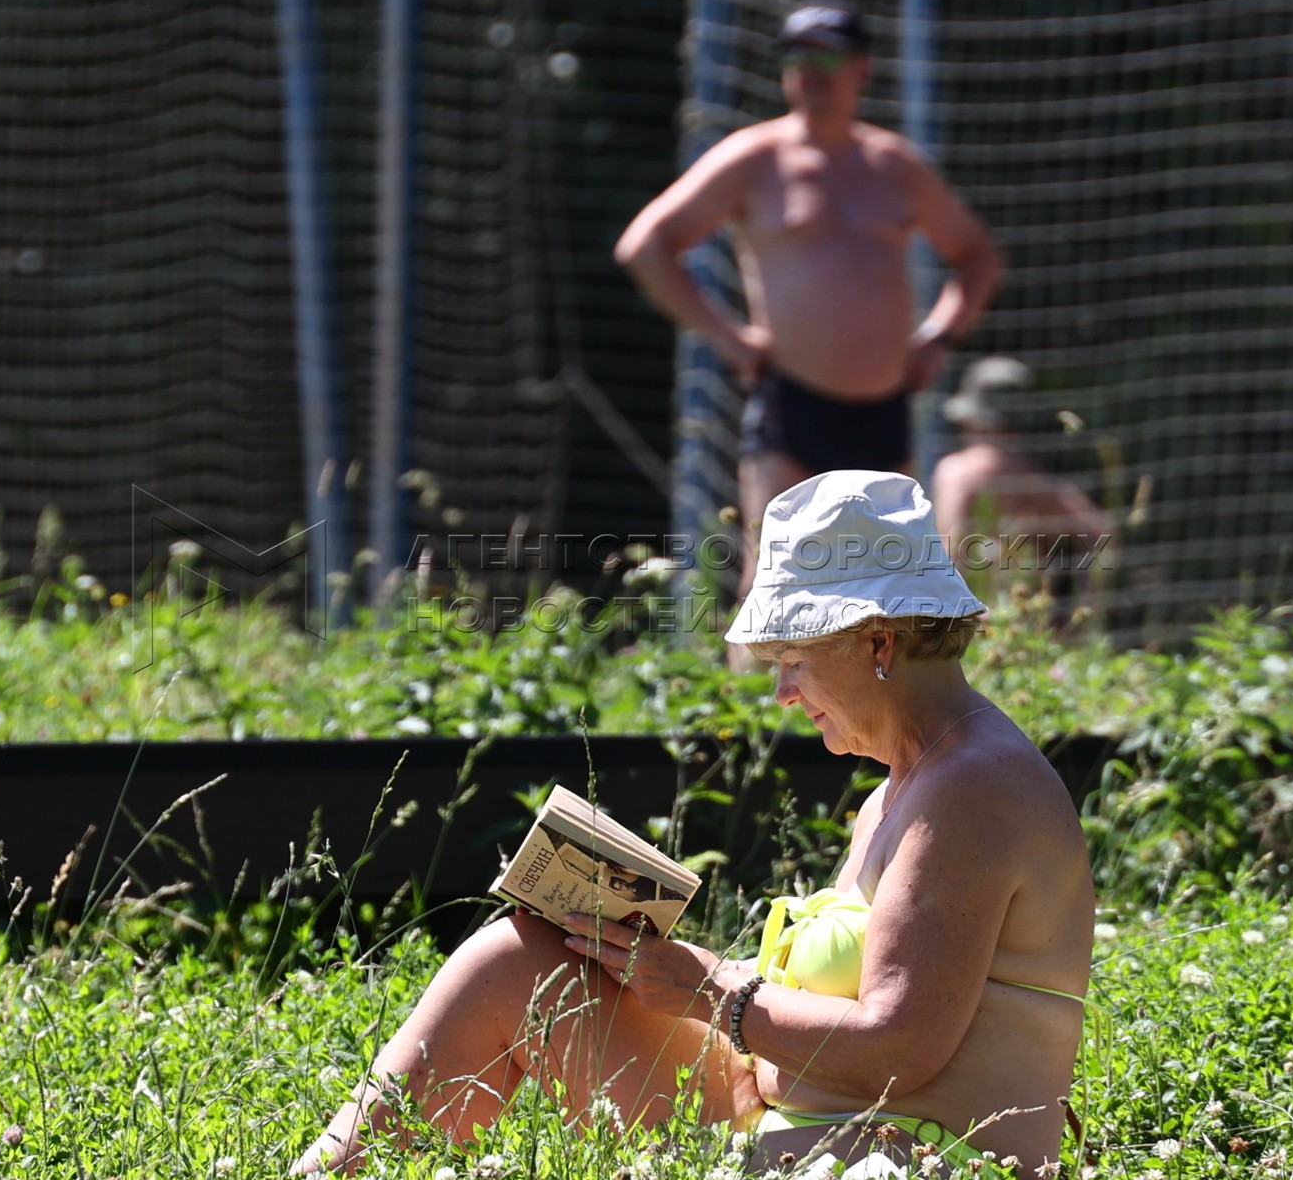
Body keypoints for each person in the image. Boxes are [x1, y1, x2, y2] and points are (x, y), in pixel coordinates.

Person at [291, 470, 1093, 1177]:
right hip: (790, 1120)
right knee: (517, 959)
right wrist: (654, 963)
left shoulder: (971, 790)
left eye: (793, 660)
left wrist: (711, 990)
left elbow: (895, 1046)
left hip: (903, 1158)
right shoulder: (905, 784)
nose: (782, 692)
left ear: (878, 640)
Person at [614, 0, 1002, 663]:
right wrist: (729, 338)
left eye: (828, 56)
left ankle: (876, 727)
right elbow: (645, 245)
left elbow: (976, 256)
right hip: (793, 407)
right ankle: (746, 721)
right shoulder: (755, 157)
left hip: (885, 413)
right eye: (797, 57)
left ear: (861, 68)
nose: (812, 71)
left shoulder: (893, 165)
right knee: (774, 585)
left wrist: (939, 336)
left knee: (889, 595)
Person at [931, 357, 1116, 604]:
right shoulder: (1035, 479)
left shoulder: (956, 472)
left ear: (972, 418)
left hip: (972, 610)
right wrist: (1087, 602)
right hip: (1027, 611)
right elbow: (1101, 533)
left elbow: (947, 549)